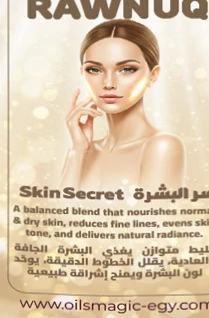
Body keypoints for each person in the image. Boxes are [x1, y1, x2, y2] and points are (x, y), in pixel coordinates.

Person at [60, 19, 185, 192]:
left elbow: (155, 210)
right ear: (83, 73)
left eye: (127, 69)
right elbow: (59, 208)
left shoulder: (162, 146)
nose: (108, 83)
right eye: (94, 70)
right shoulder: (83, 149)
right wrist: (77, 151)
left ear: (153, 75)